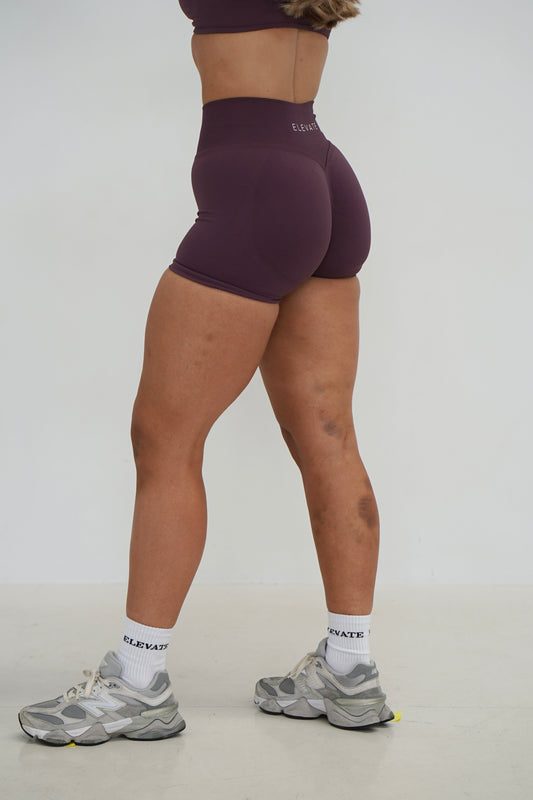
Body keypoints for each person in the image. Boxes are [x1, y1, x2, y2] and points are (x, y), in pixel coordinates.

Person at [18, 0, 395, 746]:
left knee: (165, 438)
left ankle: (137, 682)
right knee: (328, 435)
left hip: (257, 189)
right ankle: (349, 668)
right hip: (321, 171)